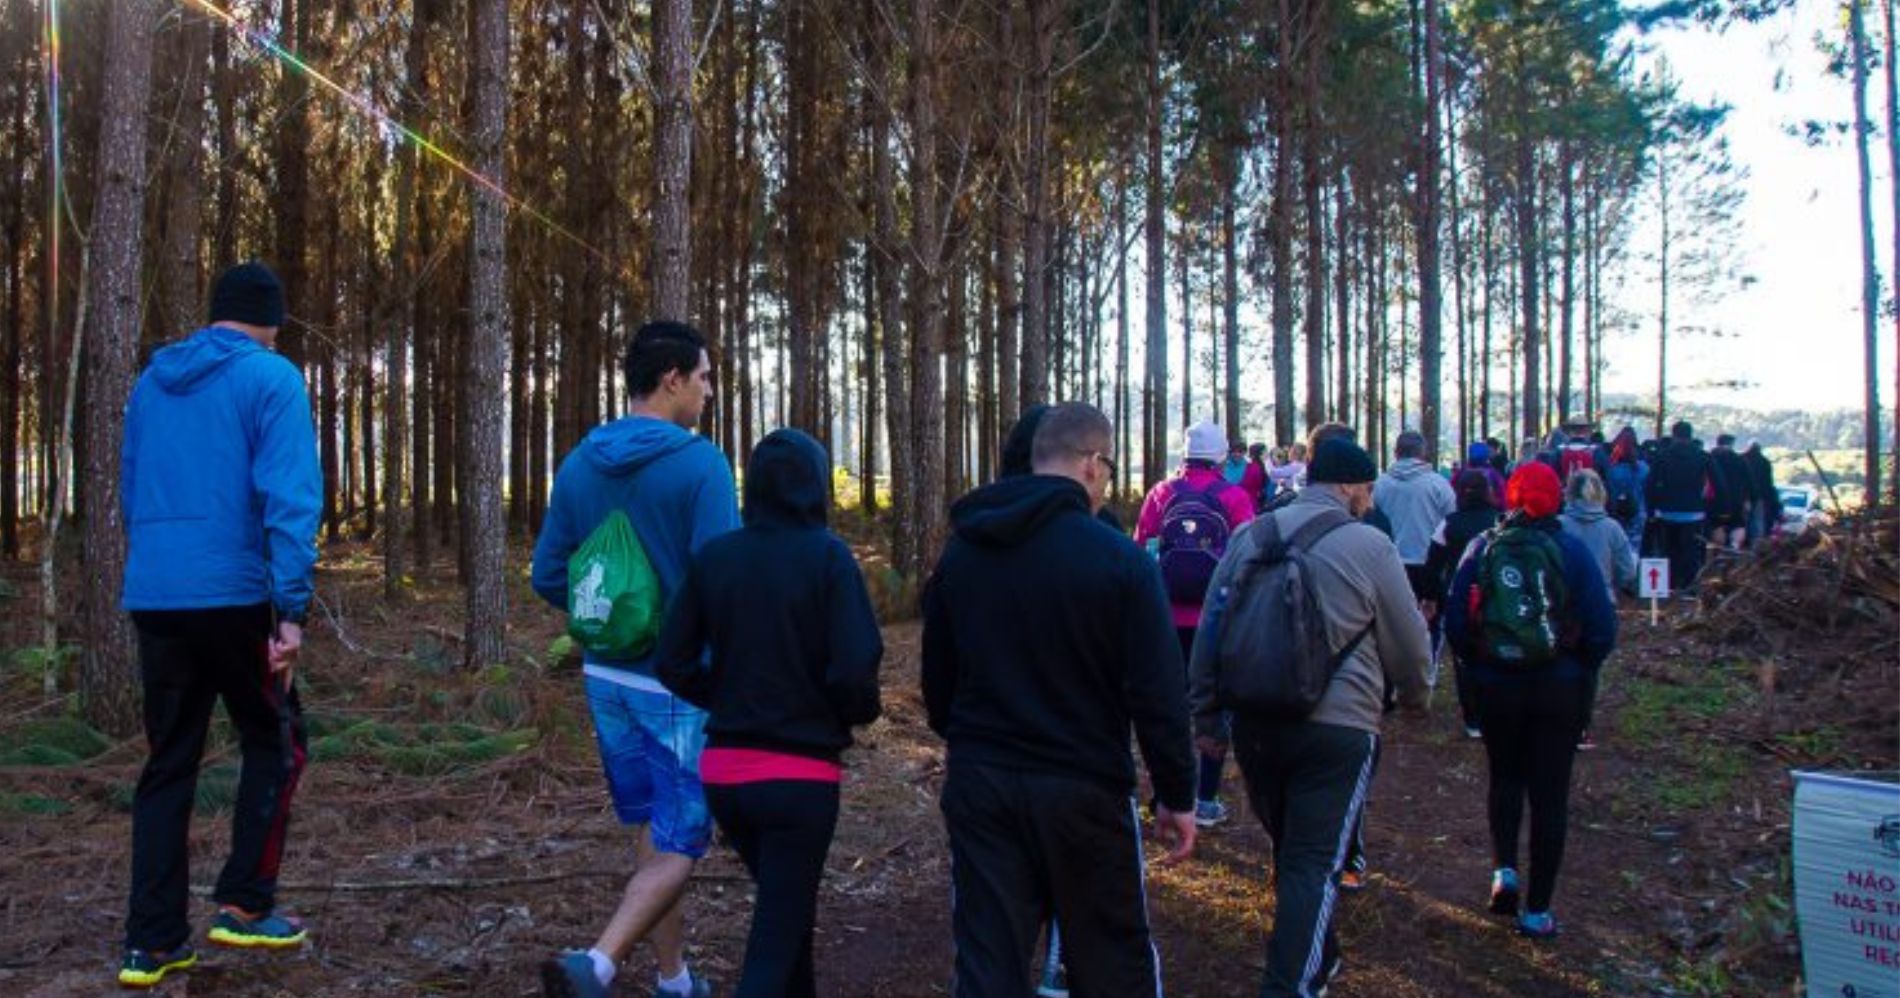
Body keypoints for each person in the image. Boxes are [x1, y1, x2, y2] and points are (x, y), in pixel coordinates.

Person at [923, 402, 1196, 998]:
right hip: (1084, 786)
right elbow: (1158, 691)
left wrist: (974, 741)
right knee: (1110, 956)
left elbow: (937, 683)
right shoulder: (1120, 561)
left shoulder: (964, 553)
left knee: (988, 958)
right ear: (1093, 466)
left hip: (983, 780)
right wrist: (1177, 793)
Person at [116, 262, 321, 989]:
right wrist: (290, 610)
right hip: (235, 596)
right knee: (279, 739)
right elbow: (290, 499)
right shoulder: (271, 379)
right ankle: (244, 901)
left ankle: (151, 942)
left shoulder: (152, 383)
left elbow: (131, 486)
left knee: (168, 762)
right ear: (270, 318)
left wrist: (159, 567)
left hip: (158, 593)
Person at [533, 321, 737, 998]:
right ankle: (596, 963)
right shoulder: (702, 465)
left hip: (605, 676)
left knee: (655, 824)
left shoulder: (580, 461)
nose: (710, 391)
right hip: (678, 683)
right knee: (682, 837)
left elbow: (548, 573)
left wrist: (609, 618)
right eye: (705, 376)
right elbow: (723, 581)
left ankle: (674, 978)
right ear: (673, 379)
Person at [1188, 438, 1431, 996]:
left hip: (1255, 721)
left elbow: (1212, 628)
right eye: (1367, 489)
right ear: (1347, 486)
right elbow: (1410, 645)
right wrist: (1416, 698)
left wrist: (1206, 716)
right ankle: (1291, 983)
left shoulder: (1252, 535)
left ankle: (1318, 958)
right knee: (1312, 863)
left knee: (1293, 850)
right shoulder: (1370, 546)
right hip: (1340, 728)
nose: (1370, 499)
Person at [654, 428, 883, 998]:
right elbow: (855, 667)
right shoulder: (828, 557)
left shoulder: (717, 557)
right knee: (777, 929)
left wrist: (728, 697)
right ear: (815, 485)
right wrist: (847, 713)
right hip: (800, 778)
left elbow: (671, 660)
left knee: (787, 910)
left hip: (726, 774)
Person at [1444, 463, 1618, 940]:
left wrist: (1481, 663)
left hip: (1498, 686)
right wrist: (1578, 666)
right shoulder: (1573, 552)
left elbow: (1456, 622)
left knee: (1505, 777)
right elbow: (1603, 629)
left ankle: (1505, 871)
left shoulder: (1483, 548)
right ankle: (1538, 910)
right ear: (1555, 499)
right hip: (1558, 688)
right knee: (1550, 796)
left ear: (1511, 498)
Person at [1134, 420, 1255, 826]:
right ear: (1221, 455)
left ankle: (1166, 794)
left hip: (1163, 618)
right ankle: (1204, 798)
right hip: (1214, 618)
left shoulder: (1161, 493)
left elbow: (1141, 550)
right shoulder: (1234, 497)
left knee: (1166, 705)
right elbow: (1248, 560)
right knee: (1212, 705)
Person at [1559, 469, 1637, 752]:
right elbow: (1627, 572)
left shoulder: (1558, 525)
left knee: (1559, 661)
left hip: (1563, 606)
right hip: (1601, 605)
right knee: (1589, 668)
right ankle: (1581, 727)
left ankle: (1556, 719)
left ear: (1569, 492)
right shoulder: (1612, 528)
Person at [1423, 470, 1504, 739]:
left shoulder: (1449, 523)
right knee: (1495, 650)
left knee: (1464, 657)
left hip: (1458, 597)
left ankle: (1473, 719)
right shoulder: (1501, 521)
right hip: (1497, 597)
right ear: (1488, 492)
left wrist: (1431, 597)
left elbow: (1433, 564)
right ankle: (1496, 710)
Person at [1372, 430, 1458, 637]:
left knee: (1392, 628)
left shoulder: (1379, 485)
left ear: (1396, 453)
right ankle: (1425, 666)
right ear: (1423, 453)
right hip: (1429, 565)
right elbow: (1452, 522)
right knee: (1428, 627)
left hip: (1388, 565)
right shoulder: (1438, 485)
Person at [1645, 420, 1728, 591]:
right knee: (1691, 553)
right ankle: (1689, 587)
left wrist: (1652, 510)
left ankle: (1668, 586)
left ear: (1673, 434)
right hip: (1694, 512)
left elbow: (1650, 484)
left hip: (1666, 512)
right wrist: (1713, 511)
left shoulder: (1662, 455)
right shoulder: (1703, 456)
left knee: (1669, 551)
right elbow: (1720, 485)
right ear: (1691, 435)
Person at [1602, 427, 1649, 557]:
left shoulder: (1611, 470)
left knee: (1615, 548)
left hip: (1615, 513)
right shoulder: (1644, 468)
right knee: (1634, 548)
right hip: (1638, 514)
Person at [1708, 435, 1751, 552]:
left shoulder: (1710, 458)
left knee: (1717, 525)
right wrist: (1747, 500)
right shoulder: (1741, 460)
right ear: (1732, 444)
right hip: (1737, 500)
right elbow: (1749, 482)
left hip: (1715, 500)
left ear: (1717, 443)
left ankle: (1718, 551)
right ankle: (1734, 547)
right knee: (1738, 524)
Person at [1742, 442, 1782, 547]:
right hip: (1759, 496)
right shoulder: (1765, 462)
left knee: (1743, 519)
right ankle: (1756, 544)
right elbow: (1768, 482)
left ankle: (1743, 541)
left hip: (1743, 496)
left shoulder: (1741, 458)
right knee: (1757, 520)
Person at [1241, 443, 1271, 511]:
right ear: (1259, 454)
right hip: (1254, 502)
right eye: (1265, 451)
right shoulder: (1256, 468)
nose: (1267, 454)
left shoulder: (1255, 466)